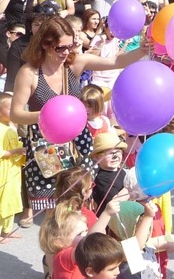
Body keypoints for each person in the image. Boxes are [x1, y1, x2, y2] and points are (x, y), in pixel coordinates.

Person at [10, 16, 148, 222]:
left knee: (77, 204)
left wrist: (143, 49)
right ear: (45, 45)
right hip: (46, 146)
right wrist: (50, 116)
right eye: (60, 48)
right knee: (53, 211)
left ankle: (73, 250)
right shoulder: (29, 73)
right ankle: (53, 253)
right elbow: (15, 114)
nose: (66, 52)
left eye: (70, 46)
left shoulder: (74, 63)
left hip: (77, 143)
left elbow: (116, 61)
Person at [0, 93, 26, 243]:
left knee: (12, 199)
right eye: (10, 108)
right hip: (2, 171)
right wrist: (16, 151)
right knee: (0, 200)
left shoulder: (10, 126)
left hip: (13, 169)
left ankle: (7, 230)